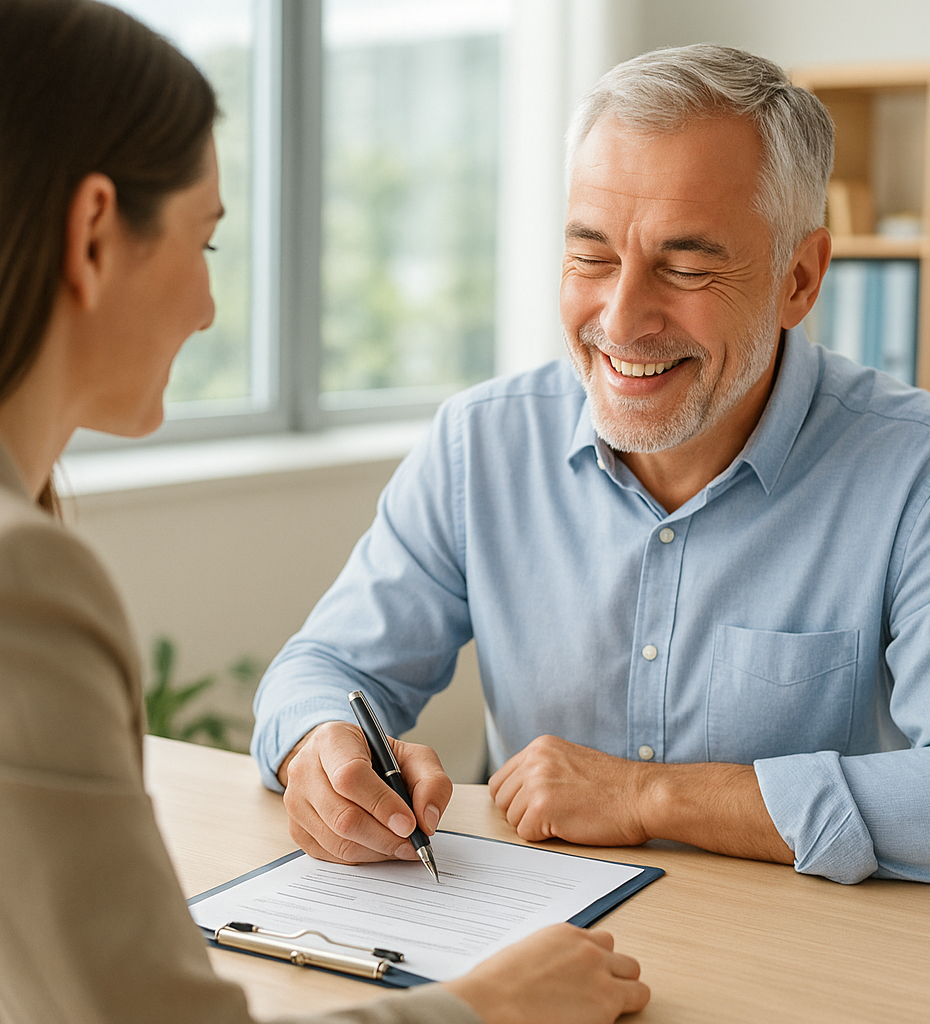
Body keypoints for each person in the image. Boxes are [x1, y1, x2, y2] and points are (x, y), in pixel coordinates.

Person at [0, 2, 650, 1023]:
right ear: (92, 233)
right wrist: (486, 1008)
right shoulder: (21, 579)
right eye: (207, 244)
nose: (211, 311)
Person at [252, 43, 930, 889]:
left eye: (685, 266)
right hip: (530, 954)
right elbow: (326, 668)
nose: (620, 320)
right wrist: (319, 745)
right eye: (591, 257)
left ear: (798, 280)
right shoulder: (481, 443)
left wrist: (655, 796)